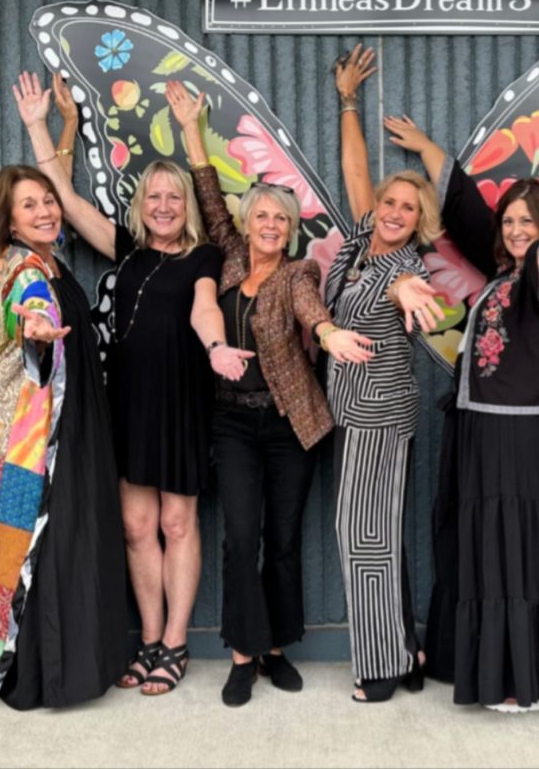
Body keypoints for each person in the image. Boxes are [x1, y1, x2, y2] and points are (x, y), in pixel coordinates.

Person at [19, 71, 240, 696]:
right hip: (129, 407)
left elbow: (204, 307)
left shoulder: (203, 260)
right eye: (153, 198)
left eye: (174, 198)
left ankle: (175, 642)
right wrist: (40, 125)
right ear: (140, 206)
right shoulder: (127, 251)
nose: (164, 206)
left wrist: (217, 346)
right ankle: (147, 639)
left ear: (187, 206)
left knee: (177, 525)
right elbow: (61, 192)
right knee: (136, 528)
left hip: (181, 405)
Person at [164, 80, 373, 707]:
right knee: (239, 538)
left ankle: (277, 648)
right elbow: (206, 190)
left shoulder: (298, 273)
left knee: (282, 541)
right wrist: (191, 130)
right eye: (263, 215)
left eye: (282, 218)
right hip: (232, 424)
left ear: (289, 229)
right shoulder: (226, 255)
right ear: (248, 221)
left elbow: (310, 308)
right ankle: (241, 654)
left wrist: (331, 332)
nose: (272, 225)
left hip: (289, 426)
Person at [384, 114, 539, 712]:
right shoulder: (503, 270)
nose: (517, 229)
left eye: (531, 222)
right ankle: (519, 648)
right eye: (511, 221)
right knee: (480, 542)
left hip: (516, 431)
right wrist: (429, 148)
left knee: (510, 543)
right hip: (480, 424)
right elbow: (469, 212)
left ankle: (522, 674)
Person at [0, 155, 128, 710]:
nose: (45, 211)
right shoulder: (23, 270)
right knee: (36, 544)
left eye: (49, 201)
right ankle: (44, 672)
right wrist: (38, 325)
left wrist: (56, 129)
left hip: (59, 425)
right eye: (30, 205)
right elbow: (32, 308)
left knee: (26, 543)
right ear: (9, 221)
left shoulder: (44, 257)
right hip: (35, 438)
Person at [328, 46, 445, 703]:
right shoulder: (354, 245)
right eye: (390, 202)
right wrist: (348, 102)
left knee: (362, 533)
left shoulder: (409, 268)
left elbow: (408, 289)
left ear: (419, 222)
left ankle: (379, 669)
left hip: (380, 416)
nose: (396, 212)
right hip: (352, 413)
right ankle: (405, 648)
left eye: (409, 208)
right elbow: (354, 169)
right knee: (378, 534)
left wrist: (404, 288)